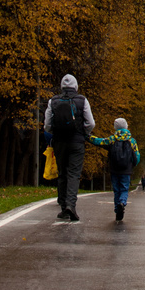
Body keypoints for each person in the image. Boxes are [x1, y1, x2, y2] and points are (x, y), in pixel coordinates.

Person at [44, 74, 95, 222]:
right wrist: (83, 133)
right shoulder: (82, 100)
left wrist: (56, 133)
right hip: (77, 142)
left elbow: (47, 125)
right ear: (76, 86)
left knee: (62, 173)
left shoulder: (53, 101)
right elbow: (90, 123)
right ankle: (71, 205)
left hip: (59, 142)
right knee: (73, 173)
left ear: (62, 86)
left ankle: (62, 207)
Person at [89, 118, 140, 222]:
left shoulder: (112, 139)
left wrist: (88, 136)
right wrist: (132, 164)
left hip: (114, 169)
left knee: (116, 190)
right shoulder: (131, 141)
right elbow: (137, 157)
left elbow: (99, 142)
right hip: (126, 170)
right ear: (126, 126)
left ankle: (117, 210)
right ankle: (122, 202)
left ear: (115, 127)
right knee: (124, 189)